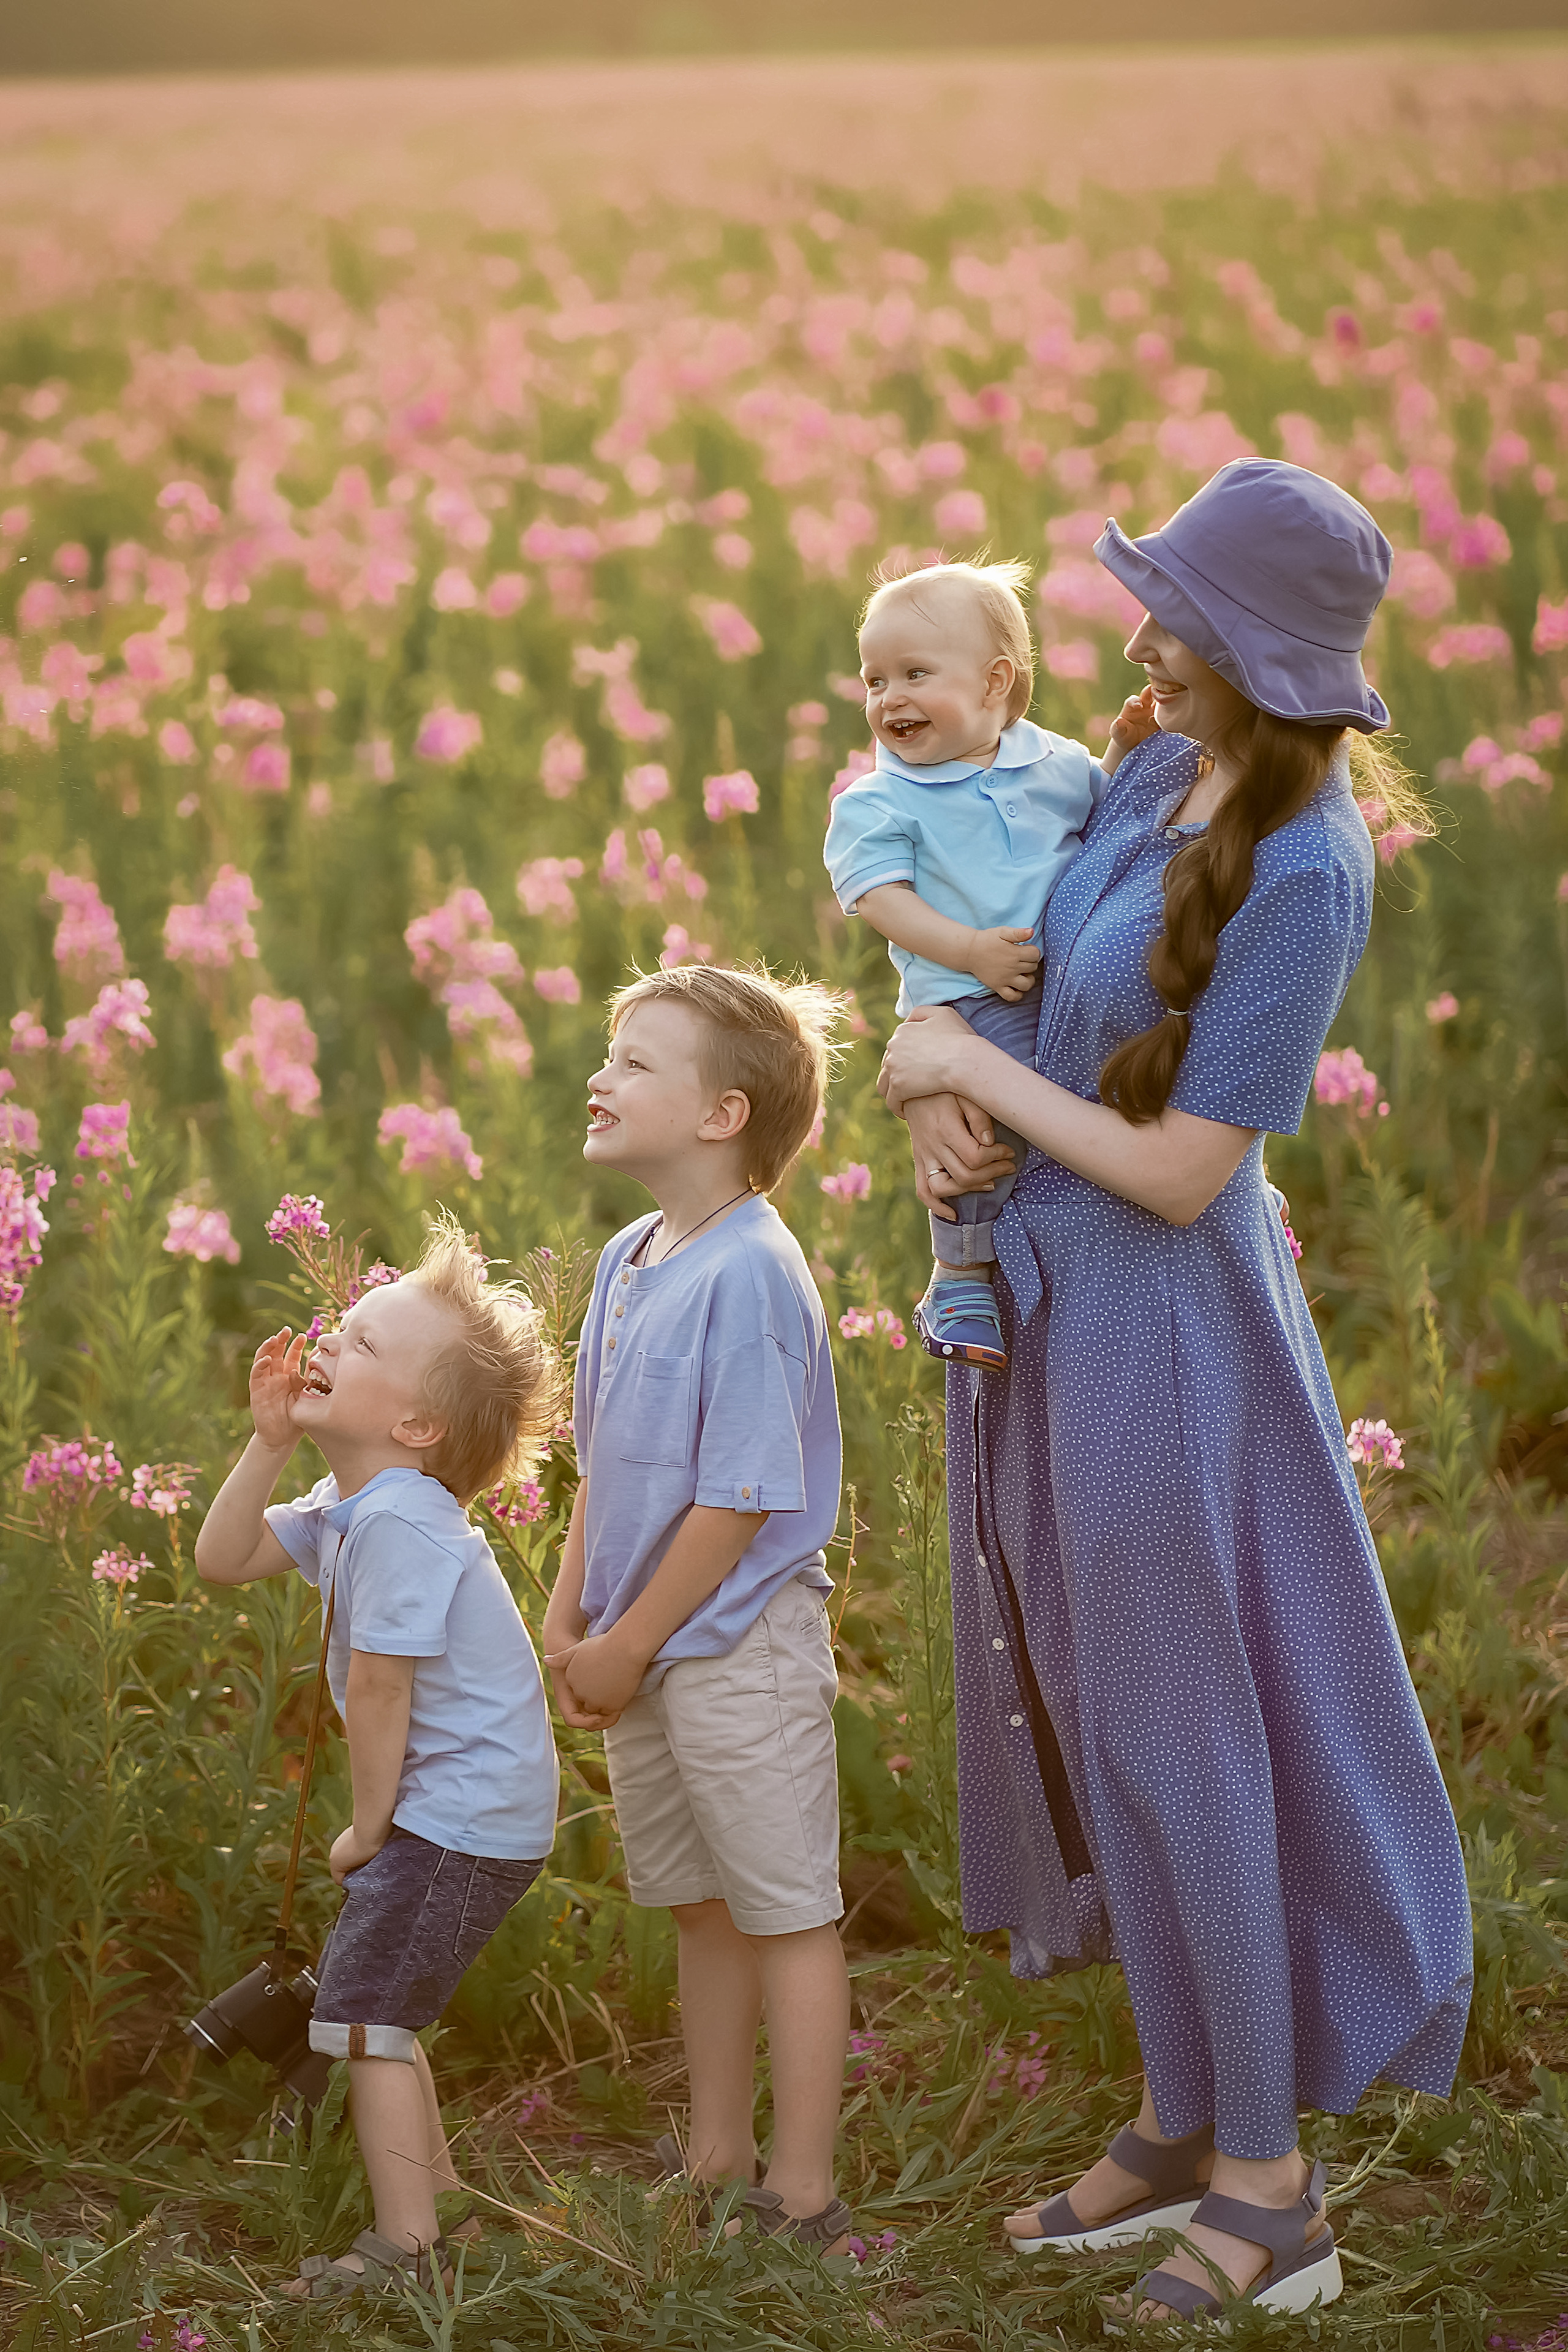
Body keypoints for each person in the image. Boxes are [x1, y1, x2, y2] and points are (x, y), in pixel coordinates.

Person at [876, 460, 1473, 2329]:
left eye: (1172, 613)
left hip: (1164, 1330)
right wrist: (942, 1094)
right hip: (1049, 1303)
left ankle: (1274, 2193)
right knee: (1104, 1705)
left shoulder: (1310, 869)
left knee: (1184, 1728)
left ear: (1253, 653)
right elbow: (1042, 1001)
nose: (1134, 634)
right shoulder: (1149, 772)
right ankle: (1179, 2112)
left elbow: (1183, 1167)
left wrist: (941, 1067)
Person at [195, 1212, 561, 2301]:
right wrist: (268, 1439)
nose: (326, 1342)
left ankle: (407, 2249)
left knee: (361, 2020)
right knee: (377, 2010)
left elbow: (378, 1685)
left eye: (358, 1342)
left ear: (412, 1425)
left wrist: (369, 1827)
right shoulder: (358, 1501)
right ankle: (438, 2207)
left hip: (458, 1818)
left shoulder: (401, 1518)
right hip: (459, 1814)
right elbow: (225, 1559)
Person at [543, 963, 851, 2252]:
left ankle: (802, 2191)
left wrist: (625, 1639)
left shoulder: (752, 1276)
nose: (599, 1080)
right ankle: (716, 2151)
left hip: (733, 1649)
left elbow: (734, 1504)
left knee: (784, 1911)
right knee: (700, 1905)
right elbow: (598, 1463)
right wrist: (567, 1623)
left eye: (633, 1063)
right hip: (643, 1643)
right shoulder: (629, 1259)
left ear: (722, 1116)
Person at [824, 557, 1153, 1371]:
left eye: (915, 674)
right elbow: (879, 897)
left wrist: (1119, 748)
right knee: (980, 1137)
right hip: (972, 998)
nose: (889, 698)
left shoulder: (1052, 763)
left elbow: (1102, 816)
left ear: (995, 682)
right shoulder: (881, 800)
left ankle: (1221, 1190)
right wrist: (967, 950)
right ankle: (960, 1268)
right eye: (874, 680)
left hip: (1069, 980)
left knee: (1133, 1072)